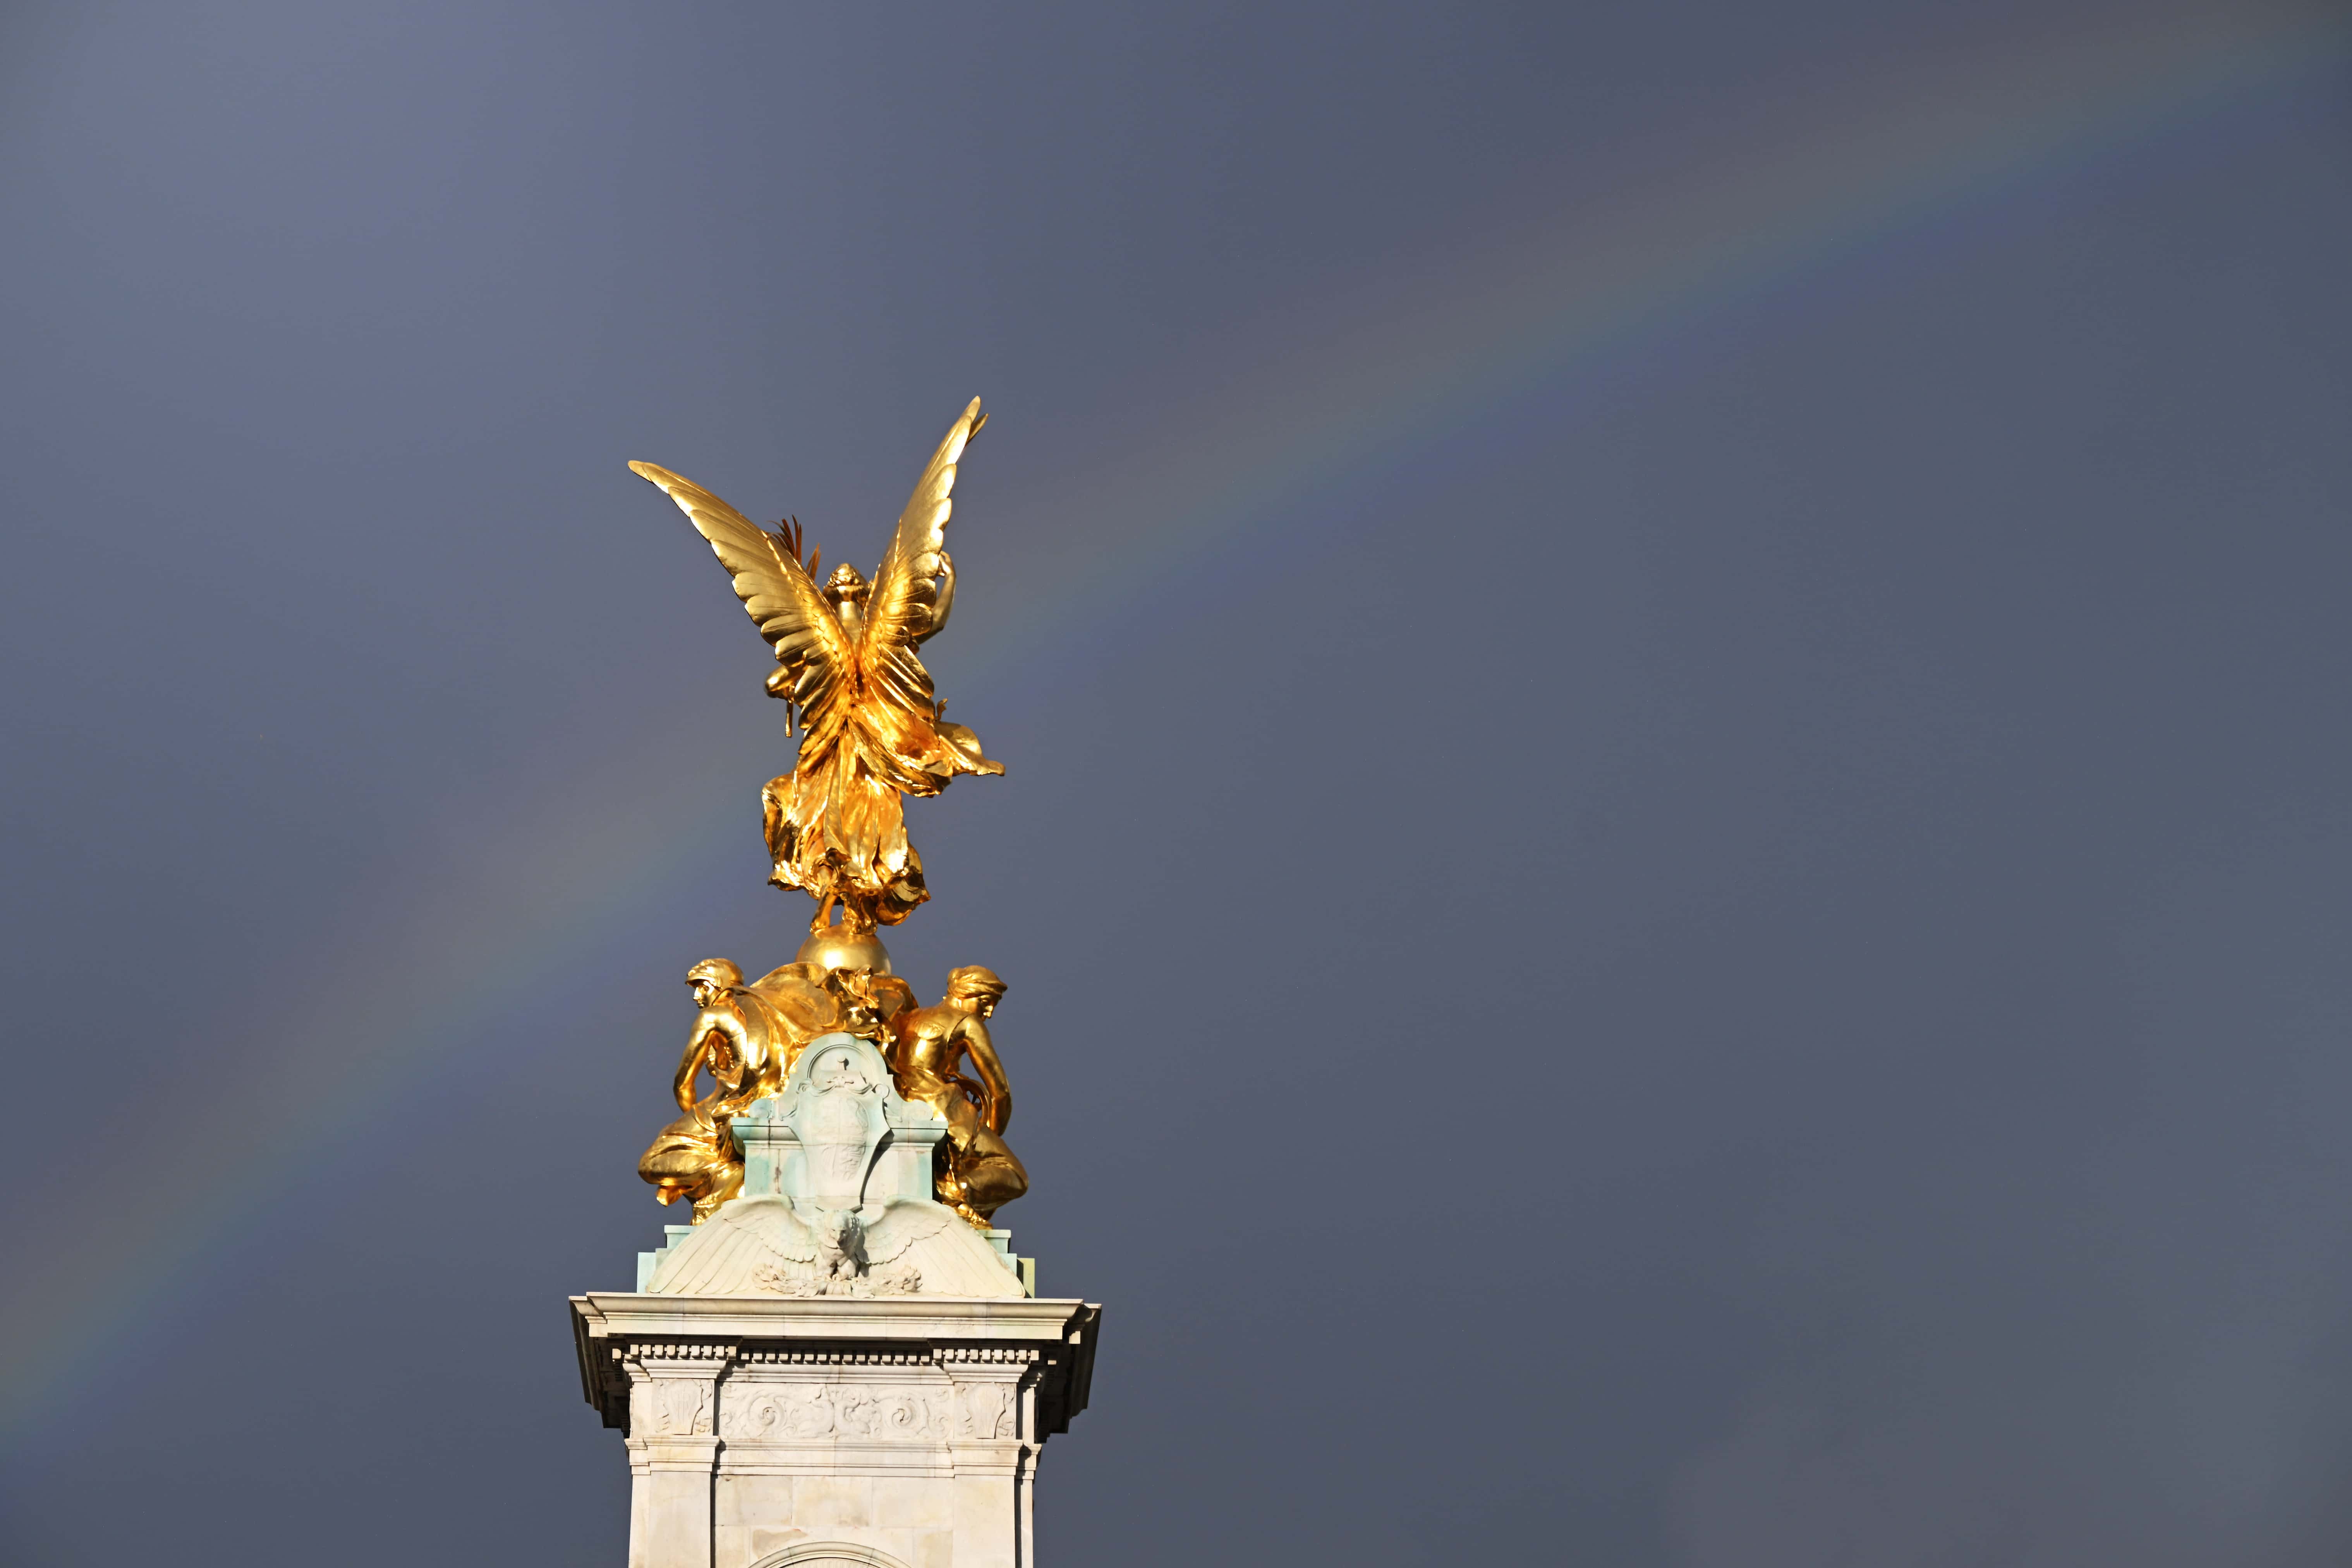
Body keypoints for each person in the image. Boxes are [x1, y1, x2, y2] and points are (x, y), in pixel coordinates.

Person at [884, 965, 1028, 1221]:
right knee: (1015, 1175)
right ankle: (952, 1192)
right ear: (965, 994)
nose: (989, 1013)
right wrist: (990, 1134)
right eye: (985, 1003)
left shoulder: (912, 1016)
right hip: (941, 1108)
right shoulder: (966, 1022)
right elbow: (999, 1090)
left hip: (899, 1099)